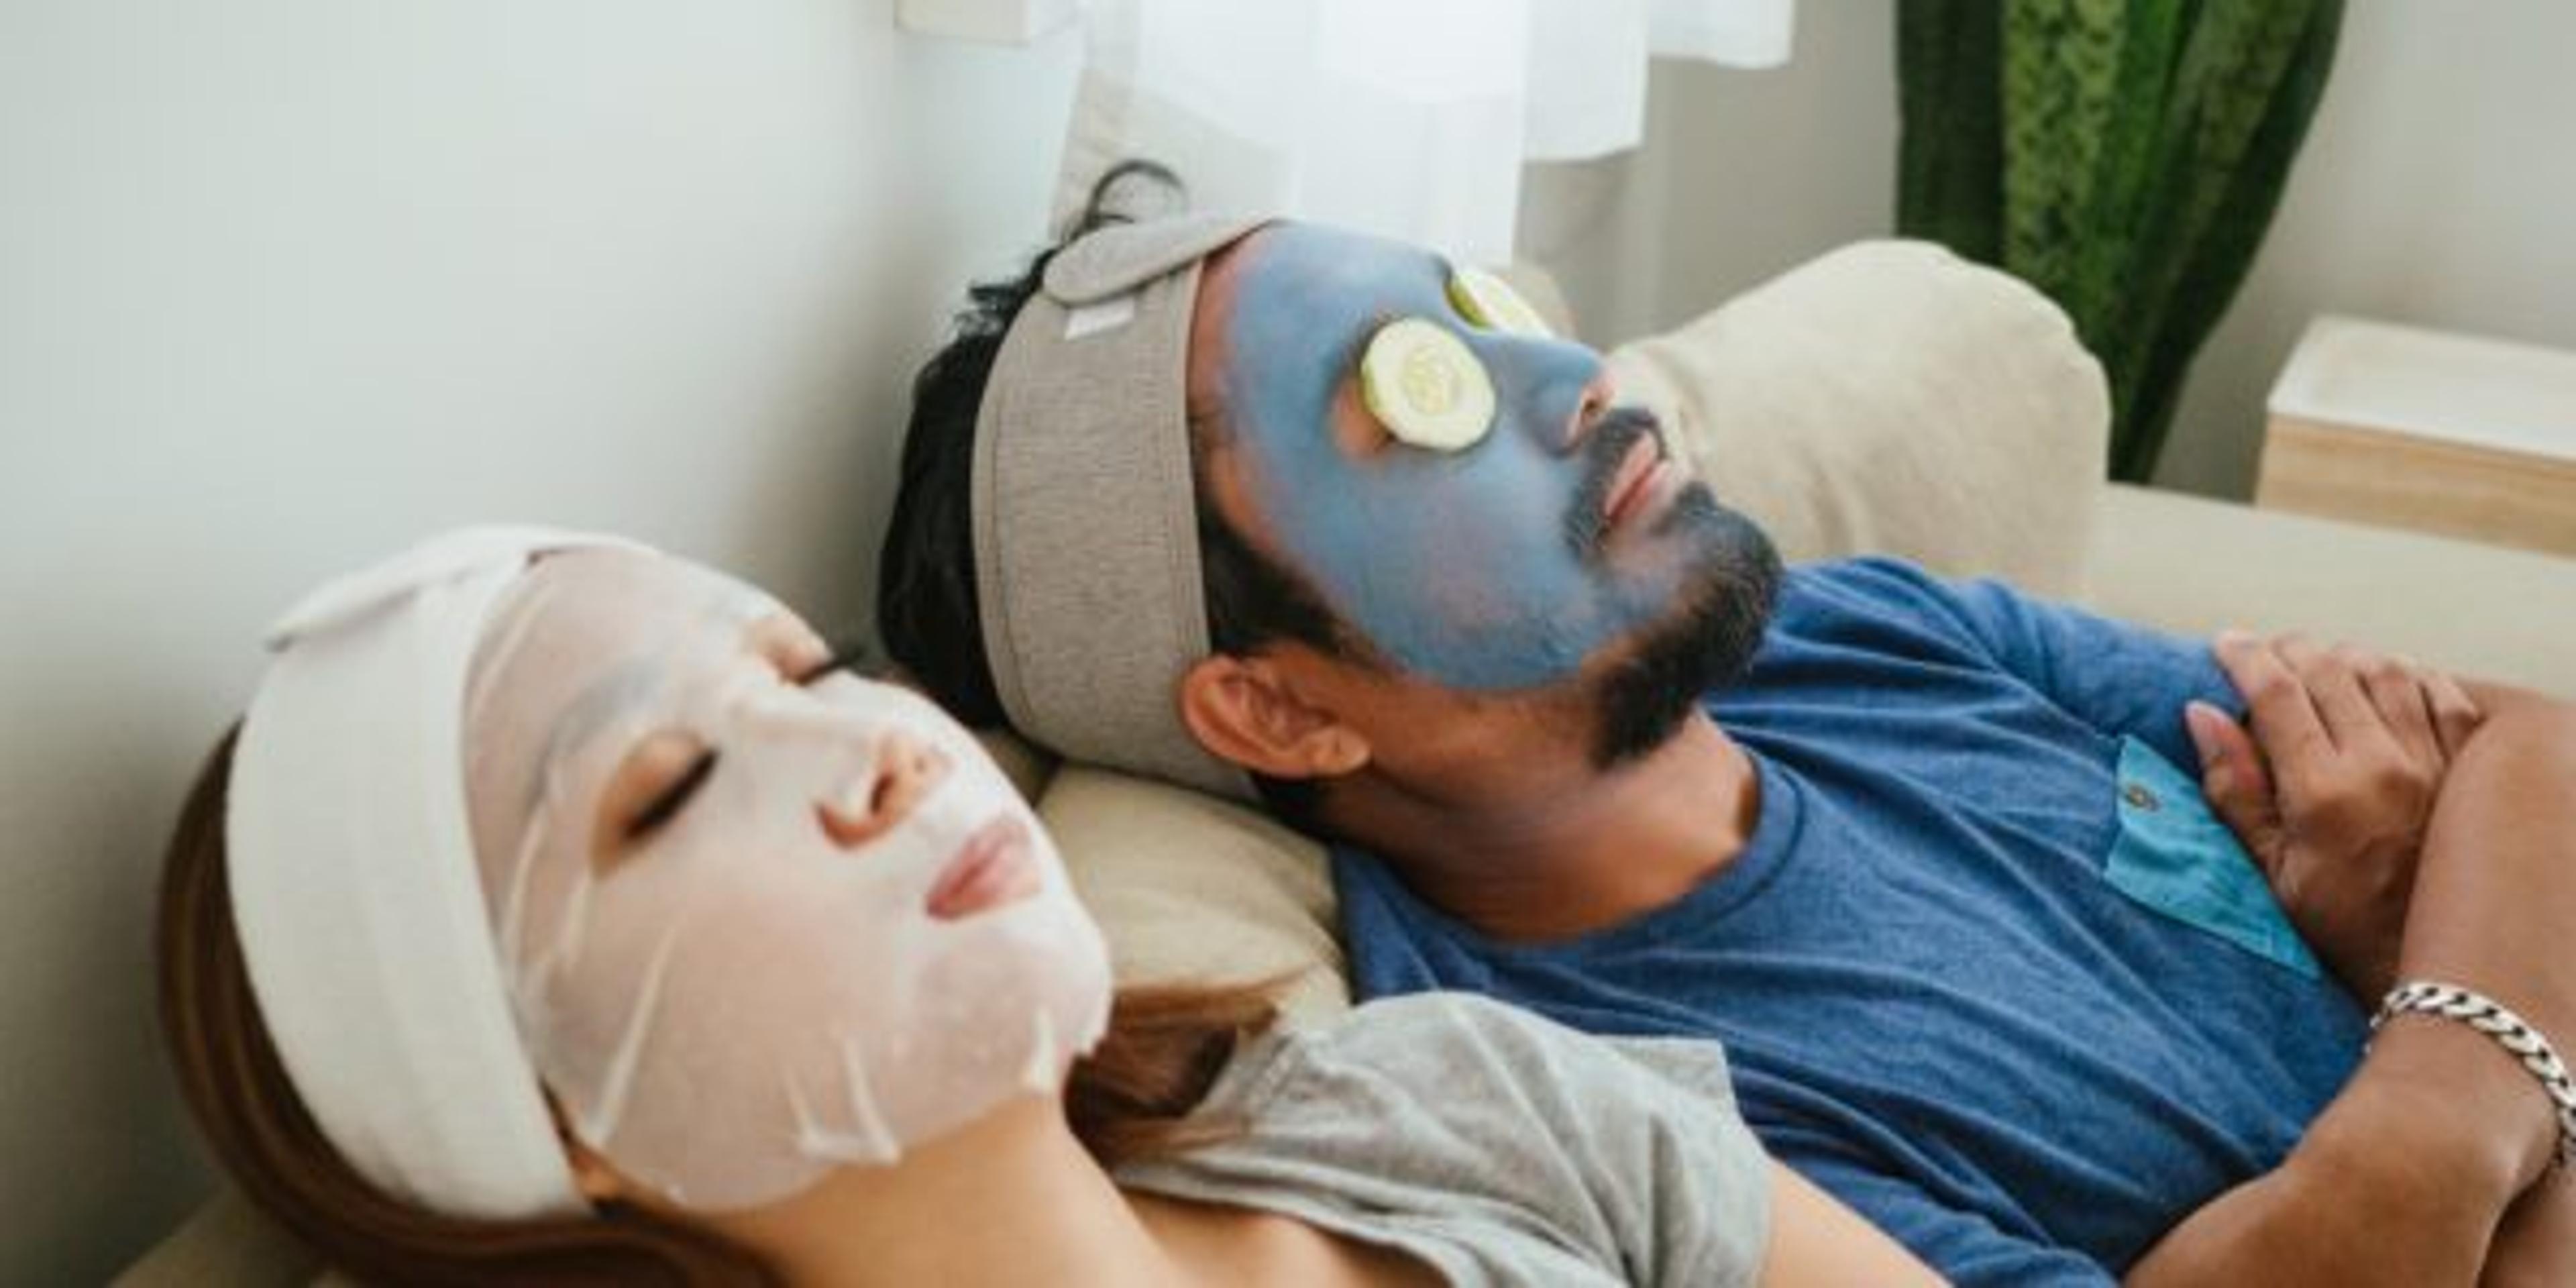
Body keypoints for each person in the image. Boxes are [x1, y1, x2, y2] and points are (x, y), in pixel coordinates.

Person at [875, 162, 2576, 1284]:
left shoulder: (1861, 630)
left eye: (1486, 316)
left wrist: (2430, 1085)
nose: (1580, 379)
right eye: (1417, 395)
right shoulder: (1620, 1111)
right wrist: (2448, 1022)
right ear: (1278, 706)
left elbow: (2532, 744)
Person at [156, 525, 1942, 1286]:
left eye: (805, 668)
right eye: (676, 787)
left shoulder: (1451, 1098)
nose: (878, 747)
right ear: (545, 1125)